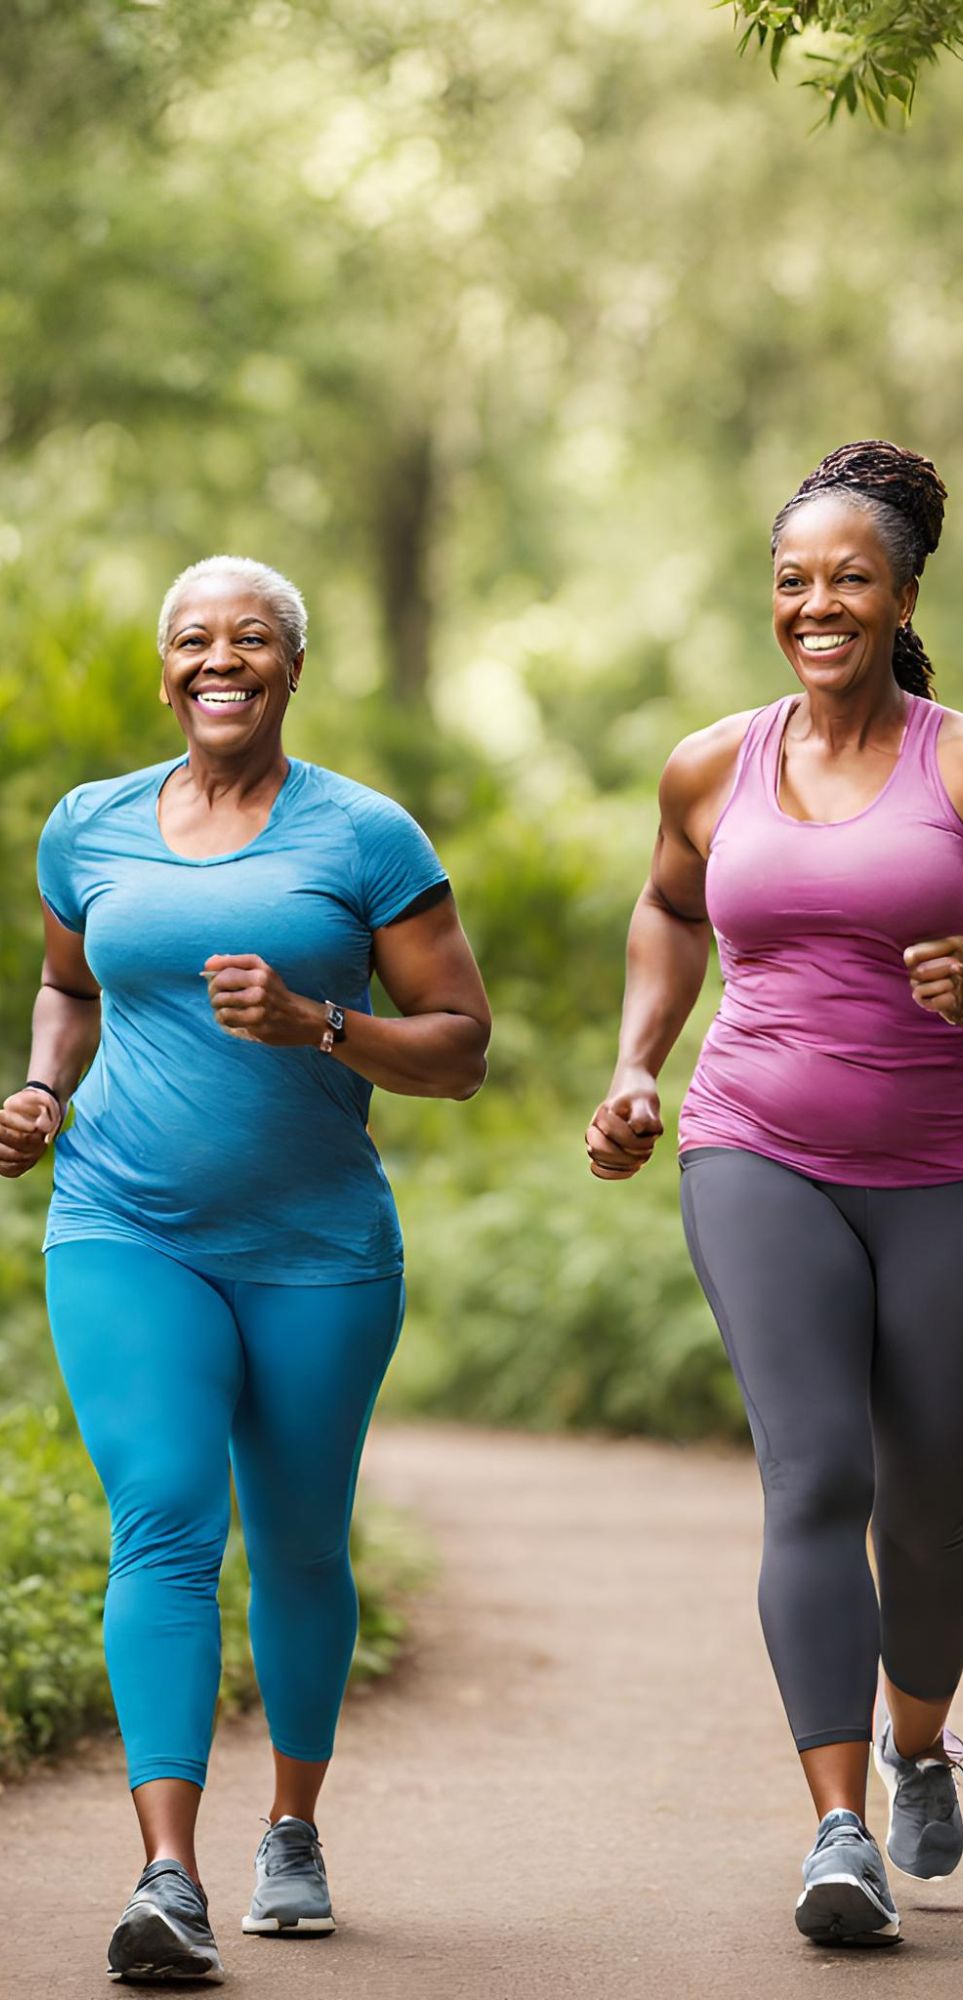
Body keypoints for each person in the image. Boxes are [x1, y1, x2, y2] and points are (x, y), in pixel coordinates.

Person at [586, 440, 963, 1946]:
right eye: (793, 580)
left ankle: (919, 1738)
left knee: (929, 1517)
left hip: (948, 1172)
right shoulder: (710, 763)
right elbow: (670, 907)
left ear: (902, 595)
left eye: (849, 580)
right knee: (815, 1478)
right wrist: (635, 1066)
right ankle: (835, 1831)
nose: (818, 605)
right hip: (755, 1146)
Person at [0, 556, 491, 1983]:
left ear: (290, 666)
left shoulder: (366, 836)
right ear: (168, 672)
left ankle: (292, 1824)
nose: (223, 659)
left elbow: (459, 1048)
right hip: (122, 1224)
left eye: (253, 637)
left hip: (316, 1250)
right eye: (195, 640)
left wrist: (318, 1024)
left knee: (295, 1541)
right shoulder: (88, 828)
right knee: (163, 1516)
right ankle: (168, 1873)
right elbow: (69, 985)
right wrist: (41, 1089)